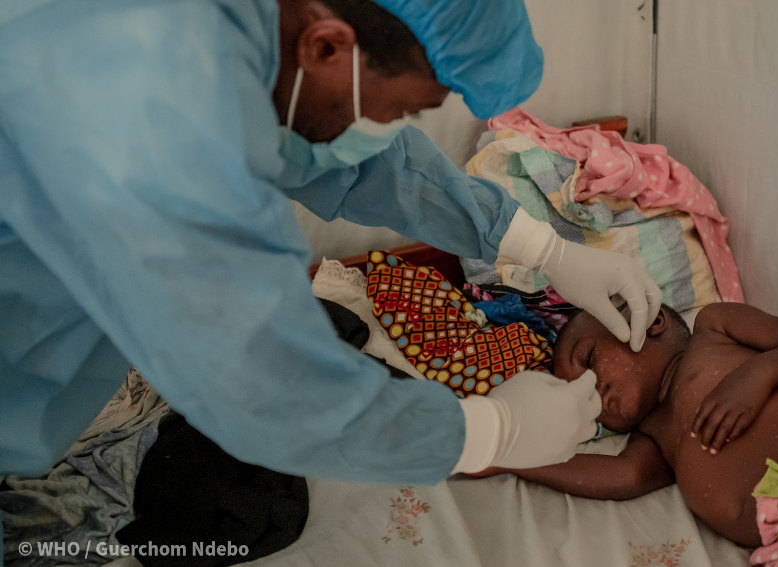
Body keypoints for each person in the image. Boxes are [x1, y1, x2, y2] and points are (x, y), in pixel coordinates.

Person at [0, 0, 663, 496]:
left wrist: (543, 245)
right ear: (325, 44)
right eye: (400, 112)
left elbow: (362, 164)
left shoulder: (248, 31)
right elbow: (269, 387)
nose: (396, 132)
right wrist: (486, 434)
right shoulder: (163, 124)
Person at [472, 303, 778, 567]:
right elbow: (621, 476)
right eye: (579, 393)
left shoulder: (715, 331)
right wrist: (509, 454)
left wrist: (762, 374)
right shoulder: (654, 437)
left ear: (645, 322)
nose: (591, 388)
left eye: (587, 360)